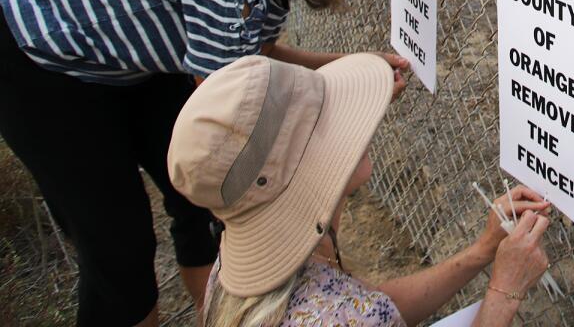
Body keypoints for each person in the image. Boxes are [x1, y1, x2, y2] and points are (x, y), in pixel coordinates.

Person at [0, 0, 409, 327]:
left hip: (126, 48)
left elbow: (257, 52)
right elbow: (232, 116)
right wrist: (353, 94)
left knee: (200, 205)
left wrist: (353, 69)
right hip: (37, 50)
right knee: (119, 244)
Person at [170, 54, 553, 327]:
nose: (359, 124)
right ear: (308, 170)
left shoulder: (233, 276)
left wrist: (482, 252)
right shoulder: (343, 319)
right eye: (335, 119)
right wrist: (505, 292)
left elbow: (372, 305)